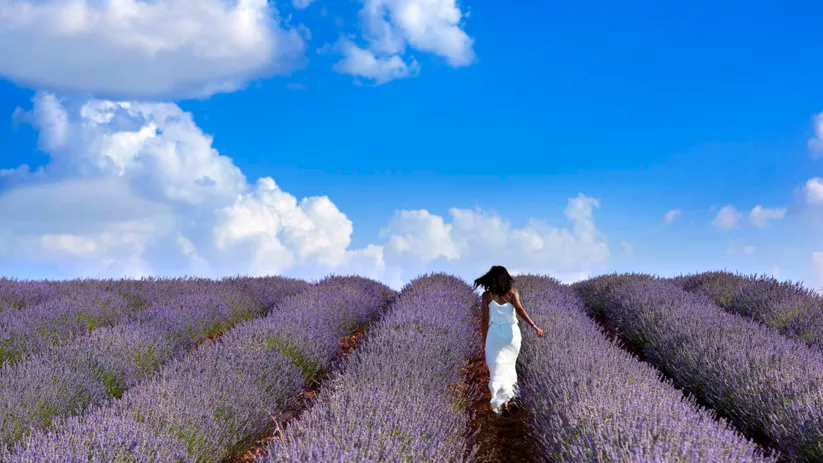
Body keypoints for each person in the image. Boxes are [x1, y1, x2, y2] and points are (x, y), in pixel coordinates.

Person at [473, 265, 543, 416]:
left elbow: (485, 320)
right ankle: (510, 399)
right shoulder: (512, 293)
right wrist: (534, 326)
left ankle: (502, 401)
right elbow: (520, 311)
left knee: (496, 367)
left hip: (495, 334)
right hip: (512, 335)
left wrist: (485, 340)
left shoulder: (486, 296)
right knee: (509, 366)